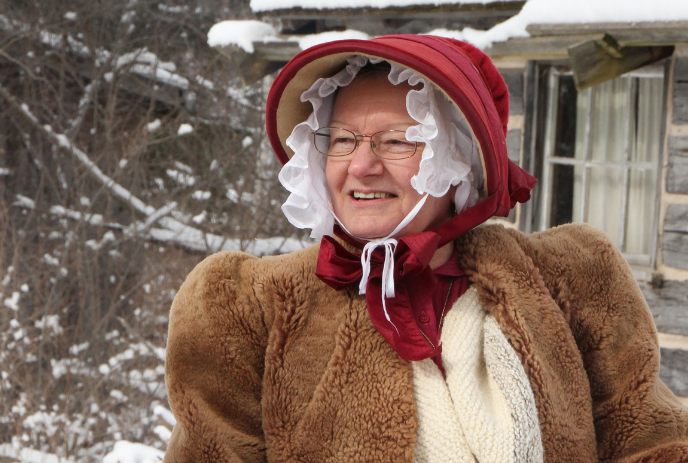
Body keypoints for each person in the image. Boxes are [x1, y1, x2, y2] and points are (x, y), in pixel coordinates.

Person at [163, 35, 688, 463]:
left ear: (457, 158)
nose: (361, 165)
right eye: (341, 139)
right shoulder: (250, 306)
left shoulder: (568, 280)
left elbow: (650, 439)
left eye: (397, 140)